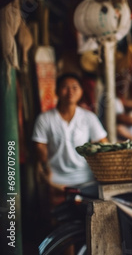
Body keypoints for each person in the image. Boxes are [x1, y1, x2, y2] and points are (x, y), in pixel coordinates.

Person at [32, 73, 108, 207]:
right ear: (57, 91)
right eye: (65, 87)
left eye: (74, 87)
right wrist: (45, 168)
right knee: (57, 219)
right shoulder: (45, 119)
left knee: (85, 219)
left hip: (86, 179)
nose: (70, 92)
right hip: (56, 181)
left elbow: (103, 144)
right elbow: (40, 147)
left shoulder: (89, 117)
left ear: (81, 91)